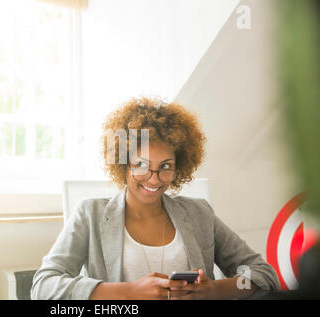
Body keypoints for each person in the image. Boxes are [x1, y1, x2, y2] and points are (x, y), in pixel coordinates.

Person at [30, 97, 280, 300]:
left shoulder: (199, 213)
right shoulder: (90, 214)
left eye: (166, 166)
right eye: (141, 165)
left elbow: (261, 274)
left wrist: (213, 290)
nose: (154, 178)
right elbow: (44, 286)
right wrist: (129, 292)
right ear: (123, 163)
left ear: (179, 166)